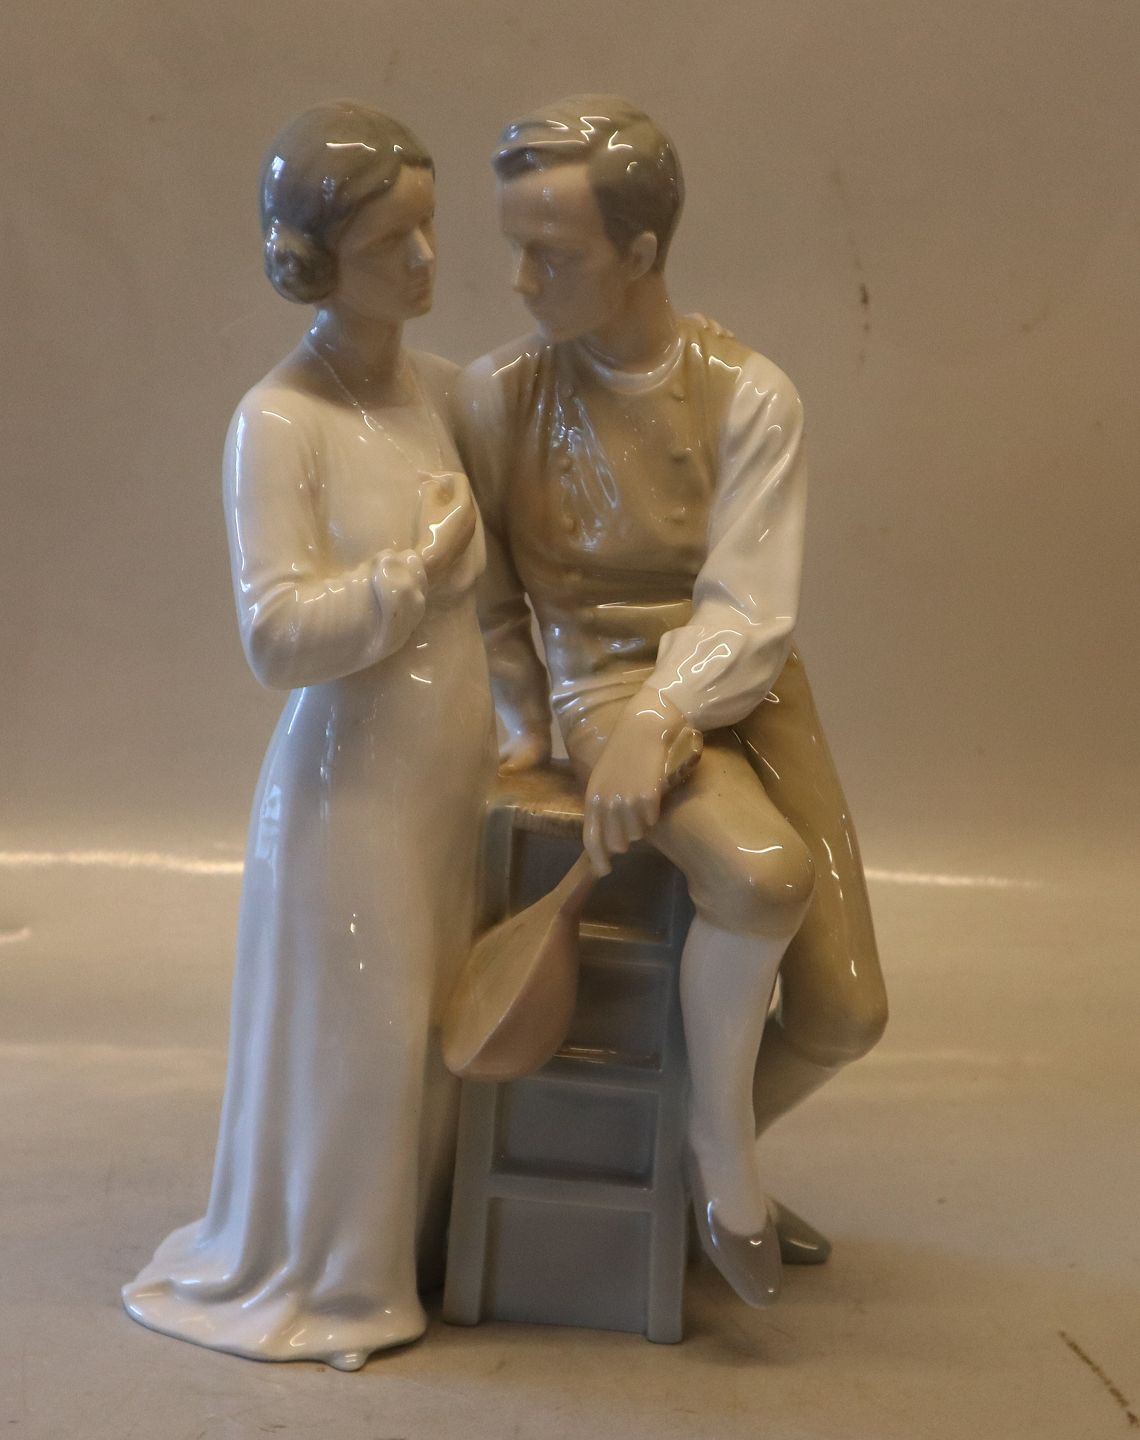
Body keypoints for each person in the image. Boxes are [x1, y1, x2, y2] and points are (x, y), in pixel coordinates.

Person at [457, 96, 888, 1307]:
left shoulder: (750, 394)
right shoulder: (500, 396)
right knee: (763, 876)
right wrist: (529, 723)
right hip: (601, 680)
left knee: (848, 1012)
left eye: (553, 254)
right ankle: (716, 1159)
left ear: (641, 252)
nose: (520, 280)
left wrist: (670, 714)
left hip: (747, 687)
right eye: (514, 246)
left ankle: (682, 1154)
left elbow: (750, 605)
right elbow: (489, 594)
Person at [122, 102, 494, 1369]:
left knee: (443, 1021)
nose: (426, 261)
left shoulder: (445, 394)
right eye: (393, 242)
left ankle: (427, 1240)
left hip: (454, 768)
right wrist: (412, 577)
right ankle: (339, 1279)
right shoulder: (280, 422)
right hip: (353, 788)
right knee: (365, 1034)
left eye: (431, 228)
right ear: (317, 262)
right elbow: (276, 635)